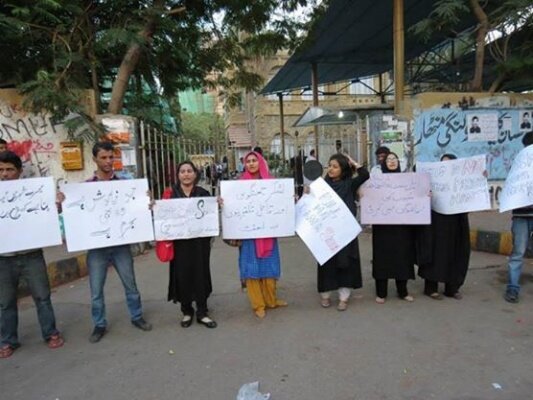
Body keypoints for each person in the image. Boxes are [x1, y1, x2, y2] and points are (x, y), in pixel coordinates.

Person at [58, 142, 152, 343]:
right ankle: (99, 324)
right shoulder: (84, 188)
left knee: (131, 284)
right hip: (97, 248)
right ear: (95, 159)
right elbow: (73, 212)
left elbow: (138, 208)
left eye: (111, 157)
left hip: (120, 246)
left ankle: (137, 317)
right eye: (104, 157)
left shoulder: (126, 183)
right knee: (96, 289)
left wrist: (146, 200)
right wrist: (63, 202)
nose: (108, 161)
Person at [0, 151, 64, 358]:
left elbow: (46, 216)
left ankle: (50, 333)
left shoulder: (35, 192)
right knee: (5, 302)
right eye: (1, 170)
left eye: (10, 169)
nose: (5, 174)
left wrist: (56, 205)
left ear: (18, 171)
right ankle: (8, 340)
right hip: (4, 258)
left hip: (32, 255)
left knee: (42, 297)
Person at [224, 151, 287, 318]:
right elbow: (232, 207)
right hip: (249, 236)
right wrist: (223, 202)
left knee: (270, 267)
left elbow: (280, 204)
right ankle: (258, 304)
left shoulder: (271, 183)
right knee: (252, 269)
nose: (251, 163)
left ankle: (271, 300)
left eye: (254, 160)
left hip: (268, 233)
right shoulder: (238, 186)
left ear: (260, 162)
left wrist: (288, 198)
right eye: (248, 161)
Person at [166, 161, 217, 328]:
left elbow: (211, 215)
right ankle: (187, 311)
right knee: (182, 275)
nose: (186, 174)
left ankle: (202, 311)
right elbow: (163, 217)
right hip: (179, 244)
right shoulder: (170, 195)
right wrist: (154, 207)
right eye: (182, 171)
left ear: (195, 174)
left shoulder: (203, 193)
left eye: (189, 171)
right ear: (178, 175)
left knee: (200, 273)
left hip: (199, 244)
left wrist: (218, 205)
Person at [318, 153, 369, 310]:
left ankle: (343, 297)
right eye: (329, 166)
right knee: (326, 262)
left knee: (345, 262)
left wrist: (353, 162)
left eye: (335, 166)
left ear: (343, 168)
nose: (331, 169)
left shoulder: (350, 185)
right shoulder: (321, 186)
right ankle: (325, 295)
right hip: (327, 232)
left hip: (345, 232)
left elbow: (365, 174)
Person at [417, 154, 471, 300]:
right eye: (443, 164)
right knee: (435, 252)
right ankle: (430, 287)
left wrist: (480, 177)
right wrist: (425, 195)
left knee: (456, 252)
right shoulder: (432, 179)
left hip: (456, 221)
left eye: (450, 164)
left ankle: (452, 288)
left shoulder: (462, 179)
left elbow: (473, 191)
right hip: (436, 221)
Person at [372, 152, 417, 304]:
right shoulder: (376, 181)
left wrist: (426, 196)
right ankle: (381, 292)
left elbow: (416, 197)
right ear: (384, 163)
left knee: (402, 258)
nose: (391, 162)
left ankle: (403, 291)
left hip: (401, 227)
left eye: (394, 159)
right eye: (388, 159)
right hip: (382, 227)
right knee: (382, 259)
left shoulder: (407, 180)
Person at [504, 130, 533, 303]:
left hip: (521, 216)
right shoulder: (519, 165)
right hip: (522, 215)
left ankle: (513, 288)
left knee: (517, 253)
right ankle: (513, 288)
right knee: (518, 253)